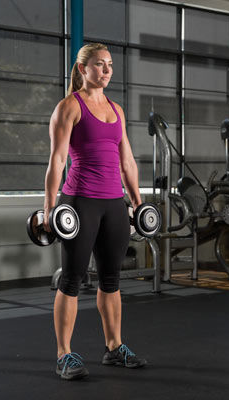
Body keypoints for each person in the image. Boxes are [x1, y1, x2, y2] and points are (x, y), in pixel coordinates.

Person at [44, 42, 146, 380]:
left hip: (113, 205)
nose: (106, 71)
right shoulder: (68, 107)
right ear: (83, 69)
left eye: (109, 65)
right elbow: (58, 159)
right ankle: (64, 354)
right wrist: (49, 206)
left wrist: (137, 201)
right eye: (99, 65)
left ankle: (114, 347)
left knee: (111, 280)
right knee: (72, 279)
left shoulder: (116, 109)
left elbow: (127, 160)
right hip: (80, 201)